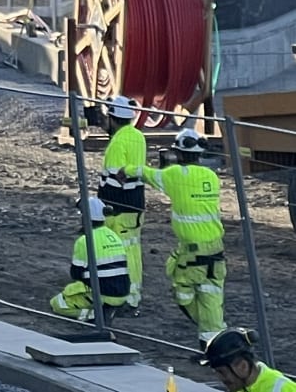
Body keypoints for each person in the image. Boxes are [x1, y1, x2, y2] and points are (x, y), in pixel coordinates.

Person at [146, 127, 226, 344]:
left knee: (183, 292)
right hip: (215, 249)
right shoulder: (211, 175)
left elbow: (149, 174)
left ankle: (214, 334)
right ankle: (214, 336)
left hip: (193, 253)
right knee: (211, 294)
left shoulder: (174, 175)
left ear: (178, 154)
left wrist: (128, 170)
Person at [95, 94, 147, 308]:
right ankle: (133, 294)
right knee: (133, 249)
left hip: (119, 209)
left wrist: (104, 206)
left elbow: (117, 180)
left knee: (121, 252)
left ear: (113, 118)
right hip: (135, 205)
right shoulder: (138, 136)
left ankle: (127, 296)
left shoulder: (117, 143)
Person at [48, 196, 131, 323]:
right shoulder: (112, 235)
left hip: (103, 294)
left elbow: (76, 273)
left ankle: (94, 315)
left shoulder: (84, 240)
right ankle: (109, 308)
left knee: (58, 303)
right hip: (123, 292)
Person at [202, 329, 292, 392]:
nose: (220, 378)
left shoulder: (284, 389)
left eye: (222, 372)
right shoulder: (240, 387)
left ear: (242, 366)